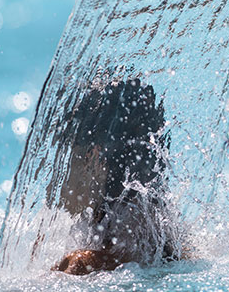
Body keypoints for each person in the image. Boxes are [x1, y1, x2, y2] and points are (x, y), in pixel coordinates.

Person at [48, 78, 179, 275]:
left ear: (93, 157)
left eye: (69, 159)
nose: (62, 177)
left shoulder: (82, 263)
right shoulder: (153, 219)